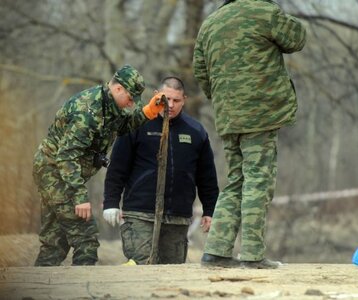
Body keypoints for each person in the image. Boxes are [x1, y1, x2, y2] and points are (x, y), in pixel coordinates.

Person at [193, 0, 307, 269]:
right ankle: (253, 255)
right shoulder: (264, 12)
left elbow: (200, 70)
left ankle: (216, 251)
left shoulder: (210, 23)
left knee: (236, 180)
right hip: (261, 113)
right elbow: (297, 38)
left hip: (228, 116)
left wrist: (223, 100)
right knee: (258, 179)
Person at [32, 64, 165, 266]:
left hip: (64, 174)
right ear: (118, 88)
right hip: (54, 173)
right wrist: (79, 198)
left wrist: (148, 112)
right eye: (130, 99)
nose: (131, 104)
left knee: (54, 242)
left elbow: (123, 126)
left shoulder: (110, 105)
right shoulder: (87, 112)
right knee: (86, 240)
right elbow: (66, 157)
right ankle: (83, 292)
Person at [103, 77, 219, 264]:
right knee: (141, 267)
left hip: (178, 218)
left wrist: (210, 210)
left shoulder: (196, 131)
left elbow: (207, 177)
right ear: (156, 95)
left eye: (176, 100)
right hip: (140, 214)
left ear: (184, 100)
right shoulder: (136, 124)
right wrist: (111, 202)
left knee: (171, 272)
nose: (170, 105)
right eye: (166, 99)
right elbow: (117, 167)